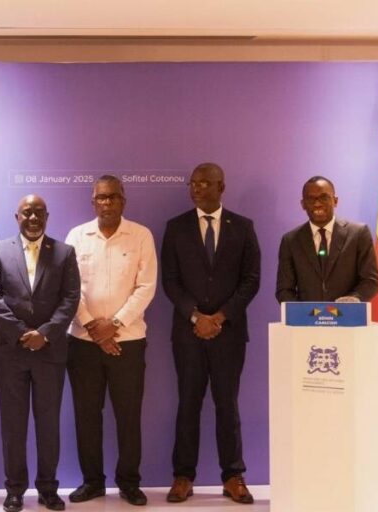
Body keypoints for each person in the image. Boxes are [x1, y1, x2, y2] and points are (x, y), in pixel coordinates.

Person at [161, 163, 261, 504]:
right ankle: (183, 477)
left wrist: (220, 316)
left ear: (222, 187)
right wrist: (196, 316)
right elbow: (170, 281)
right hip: (187, 333)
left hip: (228, 333)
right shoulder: (175, 227)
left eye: (205, 183)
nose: (197, 188)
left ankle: (233, 476)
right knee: (188, 404)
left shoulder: (243, 227)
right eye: (193, 183)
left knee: (227, 405)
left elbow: (251, 280)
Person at [0, 194, 81, 512]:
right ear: (17, 217)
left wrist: (45, 334)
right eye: (27, 212)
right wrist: (23, 333)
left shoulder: (64, 252)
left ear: (47, 216)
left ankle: (48, 489)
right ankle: (14, 490)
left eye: (39, 212)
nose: (33, 218)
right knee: (13, 424)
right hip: (11, 352)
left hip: (50, 352)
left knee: (48, 424)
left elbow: (71, 298)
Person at [64, 175, 156, 507]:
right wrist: (92, 326)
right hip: (83, 342)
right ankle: (92, 482)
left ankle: (129, 483)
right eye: (101, 198)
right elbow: (69, 288)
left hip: (127, 341)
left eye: (113, 197)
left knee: (128, 416)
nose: (107, 203)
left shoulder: (141, 235)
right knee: (87, 415)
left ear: (123, 201)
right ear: (93, 202)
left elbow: (146, 287)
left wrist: (113, 325)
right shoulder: (77, 236)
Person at [276, 176, 378, 303]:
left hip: (347, 314)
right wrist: (302, 312)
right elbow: (284, 290)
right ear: (303, 204)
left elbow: (370, 281)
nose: (317, 204)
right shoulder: (290, 241)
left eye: (324, 197)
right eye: (311, 199)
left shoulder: (359, 234)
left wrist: (353, 299)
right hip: (307, 316)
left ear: (335, 201)